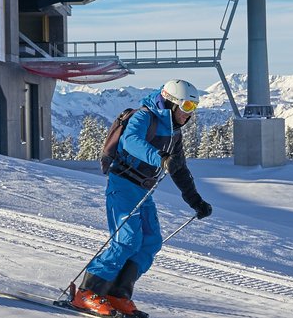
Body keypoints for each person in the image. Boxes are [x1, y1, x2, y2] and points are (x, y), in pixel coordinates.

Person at [72, 79, 213, 317]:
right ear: (171, 102)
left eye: (193, 109)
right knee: (126, 240)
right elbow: (131, 141)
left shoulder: (174, 133)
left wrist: (195, 201)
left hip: (143, 190)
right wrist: (159, 157)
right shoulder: (144, 117)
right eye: (187, 107)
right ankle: (87, 292)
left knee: (150, 241)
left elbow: (178, 169)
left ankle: (117, 294)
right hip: (123, 184)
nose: (189, 114)